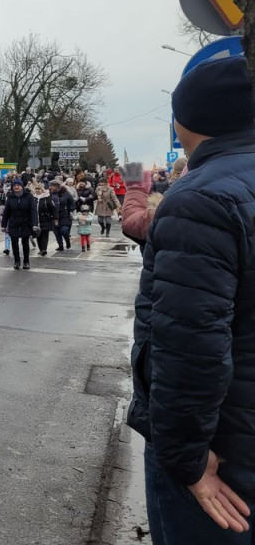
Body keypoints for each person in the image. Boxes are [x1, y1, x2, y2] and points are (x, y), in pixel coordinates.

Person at [129, 56, 255, 543]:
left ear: (183, 122)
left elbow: (191, 347)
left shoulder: (200, 198)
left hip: (223, 453)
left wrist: (185, 458)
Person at [1, 177, 38, 270]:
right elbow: (6, 212)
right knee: (14, 242)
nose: (16, 187)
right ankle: (16, 261)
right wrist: (3, 225)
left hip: (26, 222)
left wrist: (34, 224)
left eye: (18, 185)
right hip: (14, 223)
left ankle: (26, 261)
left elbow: (33, 211)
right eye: (15, 185)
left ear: (22, 187)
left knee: (25, 242)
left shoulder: (28, 196)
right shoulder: (10, 197)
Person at [49, 180, 74, 252]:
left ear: (56, 187)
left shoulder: (65, 193)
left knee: (64, 230)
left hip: (64, 215)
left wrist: (71, 210)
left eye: (52, 186)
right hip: (54, 216)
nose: (50, 187)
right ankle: (60, 245)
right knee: (56, 232)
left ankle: (67, 240)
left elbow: (72, 202)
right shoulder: (49, 194)